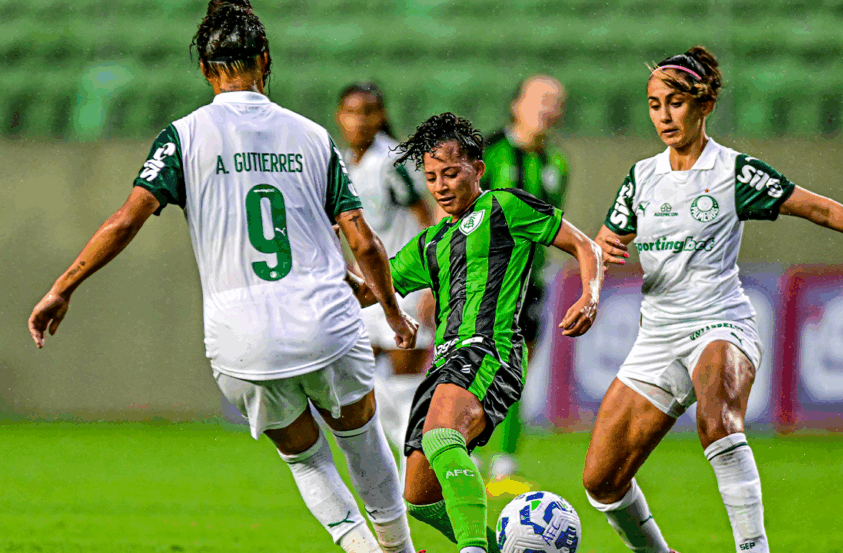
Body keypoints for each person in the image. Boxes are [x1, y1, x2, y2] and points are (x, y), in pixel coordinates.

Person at [27, 3, 421, 552]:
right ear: (265, 60)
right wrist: (392, 310)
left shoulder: (182, 138)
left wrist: (61, 288)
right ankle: (399, 549)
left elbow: (123, 222)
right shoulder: (311, 137)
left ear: (208, 71)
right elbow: (364, 241)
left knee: (306, 460)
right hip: (326, 323)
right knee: (361, 439)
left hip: (243, 341)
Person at [582, 45, 843, 553]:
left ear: (704, 106)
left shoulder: (732, 173)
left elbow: (820, 209)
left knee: (716, 421)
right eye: (654, 104)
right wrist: (602, 256)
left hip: (720, 322)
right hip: (658, 335)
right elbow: (601, 244)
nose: (664, 116)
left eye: (675, 102)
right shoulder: (641, 177)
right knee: (601, 481)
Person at [346, 112, 603, 553]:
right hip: (445, 363)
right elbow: (374, 289)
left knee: (444, 438)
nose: (441, 186)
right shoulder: (431, 242)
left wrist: (590, 293)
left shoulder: (504, 207)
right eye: (431, 177)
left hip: (491, 351)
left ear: (477, 169)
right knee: (420, 498)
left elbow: (586, 245)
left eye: (451, 173)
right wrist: (335, 273)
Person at [335, 81, 436, 476]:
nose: (358, 121)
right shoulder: (342, 161)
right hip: (367, 292)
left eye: (367, 112)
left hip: (405, 289)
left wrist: (430, 282)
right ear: (339, 116)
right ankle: (403, 466)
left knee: (405, 387)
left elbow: (426, 216)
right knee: (360, 383)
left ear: (380, 117)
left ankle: (430, 463)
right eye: (350, 112)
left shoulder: (392, 159)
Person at [479, 74, 569, 482]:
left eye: (555, 102)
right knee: (474, 362)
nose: (547, 109)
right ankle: (467, 449)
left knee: (517, 365)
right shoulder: (487, 152)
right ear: (516, 105)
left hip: (530, 280)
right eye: (540, 100)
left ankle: (505, 462)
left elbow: (552, 225)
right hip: (483, 277)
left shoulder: (556, 164)